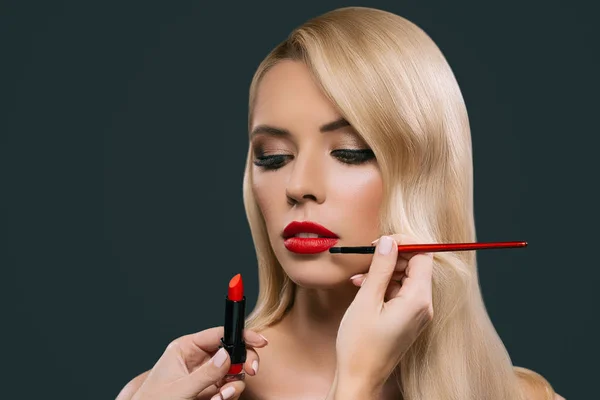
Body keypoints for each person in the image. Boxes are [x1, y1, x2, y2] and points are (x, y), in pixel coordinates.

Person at [116, 6, 565, 400]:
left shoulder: (522, 396)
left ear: (426, 175)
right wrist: (357, 384)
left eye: (350, 152)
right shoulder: (162, 394)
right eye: (272, 157)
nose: (298, 185)